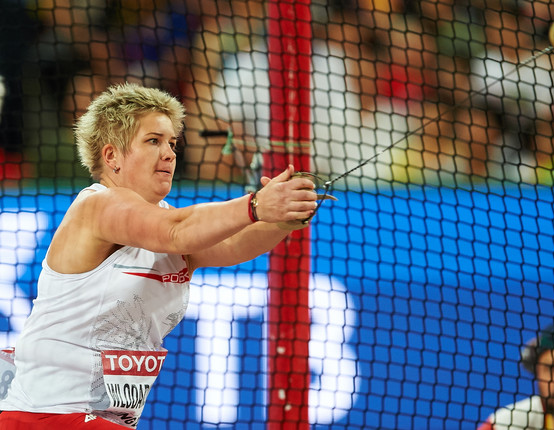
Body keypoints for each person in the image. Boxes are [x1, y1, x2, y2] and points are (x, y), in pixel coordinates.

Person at [0, 82, 318, 429]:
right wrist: (256, 204)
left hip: (97, 419)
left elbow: (230, 246)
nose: (169, 153)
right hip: (47, 414)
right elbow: (176, 230)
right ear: (112, 157)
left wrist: (286, 216)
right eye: (153, 141)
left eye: (172, 143)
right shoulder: (98, 204)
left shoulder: (163, 218)